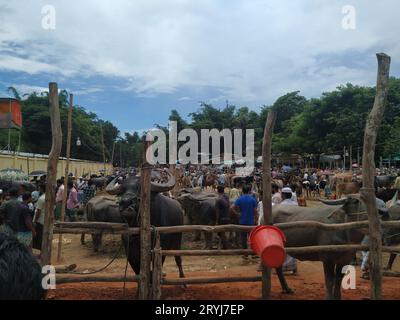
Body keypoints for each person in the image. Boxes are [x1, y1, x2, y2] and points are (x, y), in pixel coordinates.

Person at [231, 184, 258, 260]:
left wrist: (238, 214)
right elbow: (255, 211)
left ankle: (245, 254)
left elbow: (231, 207)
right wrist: (256, 220)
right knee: (252, 238)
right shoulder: (252, 199)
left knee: (243, 239)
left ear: (242, 191)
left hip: (242, 221)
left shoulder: (240, 199)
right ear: (249, 191)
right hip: (250, 222)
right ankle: (253, 253)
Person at [280, 187, 298, 273]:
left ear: (283, 195)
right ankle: (293, 267)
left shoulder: (281, 205)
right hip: (294, 228)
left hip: (284, 228)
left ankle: (284, 267)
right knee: (293, 247)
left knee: (284, 247)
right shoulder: (295, 204)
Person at [33, 184, 46, 252]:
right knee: (44, 237)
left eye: (39, 188)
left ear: (42, 189)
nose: (38, 189)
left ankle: (42, 253)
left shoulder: (41, 198)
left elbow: (38, 211)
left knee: (40, 238)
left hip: (40, 220)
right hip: (45, 219)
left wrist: (35, 221)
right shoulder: (49, 197)